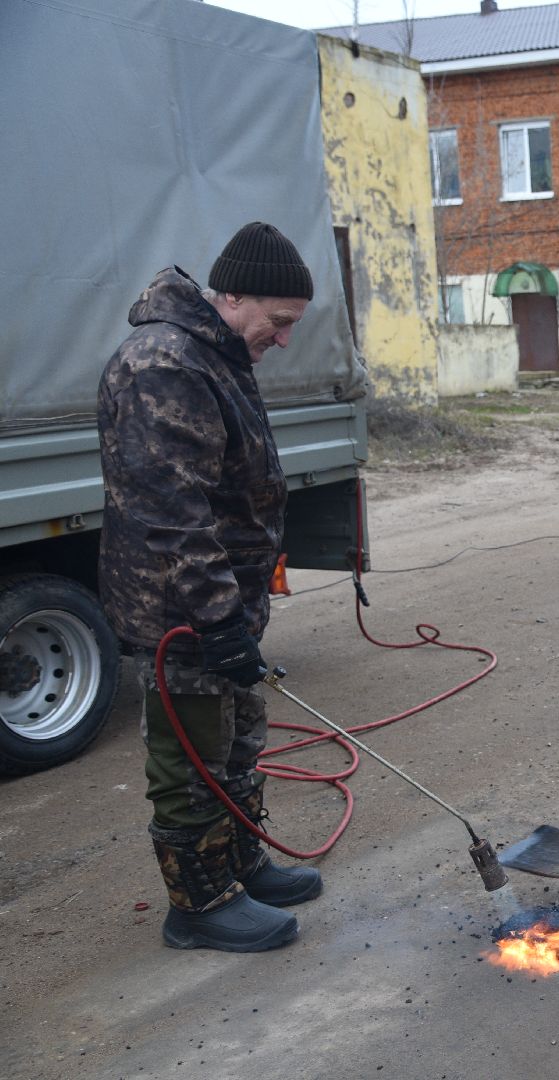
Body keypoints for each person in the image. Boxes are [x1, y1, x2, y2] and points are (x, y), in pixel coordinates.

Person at [98, 222, 321, 953]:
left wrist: (238, 613)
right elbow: (174, 510)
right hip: (183, 611)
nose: (283, 339)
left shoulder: (215, 354)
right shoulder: (165, 364)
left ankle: (240, 864)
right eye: (278, 322)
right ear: (231, 296)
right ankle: (197, 904)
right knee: (190, 752)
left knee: (236, 739)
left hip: (223, 604)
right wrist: (219, 618)